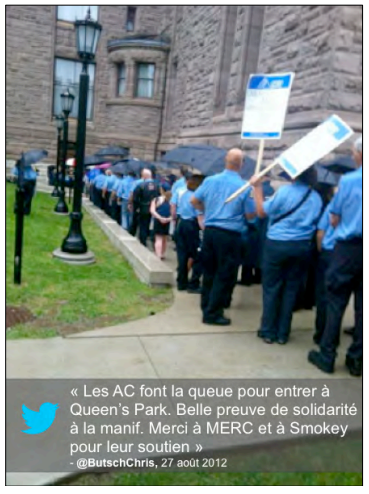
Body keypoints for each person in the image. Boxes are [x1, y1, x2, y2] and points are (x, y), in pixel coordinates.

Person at [308, 136, 362, 376]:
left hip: (348, 247)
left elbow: (334, 217)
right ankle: (356, 359)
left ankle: (327, 354)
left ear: (359, 154)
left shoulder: (349, 181)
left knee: (335, 301)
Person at [249, 167, 323, 344]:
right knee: (291, 289)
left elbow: (261, 212)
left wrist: (257, 188)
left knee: (271, 287)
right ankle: (283, 333)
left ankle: (268, 330)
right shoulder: (316, 197)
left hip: (277, 243)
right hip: (302, 246)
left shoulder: (284, 192)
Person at [191, 149, 253, 326]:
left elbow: (194, 201)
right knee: (224, 274)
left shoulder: (210, 180)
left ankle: (206, 306)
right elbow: (250, 216)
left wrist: (207, 211)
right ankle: (213, 312)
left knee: (209, 271)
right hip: (230, 235)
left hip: (211, 231)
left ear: (226, 161)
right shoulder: (243, 186)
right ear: (241, 164)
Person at [174, 174, 205, 293]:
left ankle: (181, 282)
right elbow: (200, 219)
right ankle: (194, 283)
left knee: (182, 255)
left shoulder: (184, 195)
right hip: (192, 226)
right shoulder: (196, 198)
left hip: (181, 224)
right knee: (198, 256)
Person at [313, 196, 336, 345]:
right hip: (355, 254)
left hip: (329, 253)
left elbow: (321, 232)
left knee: (324, 296)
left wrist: (320, 250)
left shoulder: (334, 205)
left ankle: (322, 334)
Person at [132, 168, 160, 246]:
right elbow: (159, 196)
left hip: (143, 207)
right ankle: (151, 239)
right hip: (154, 207)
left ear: (144, 176)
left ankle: (143, 240)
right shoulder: (157, 185)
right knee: (151, 224)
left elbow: (135, 198)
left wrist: (136, 207)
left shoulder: (141, 185)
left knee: (143, 225)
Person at [150, 183, 172, 259]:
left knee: (158, 238)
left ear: (161, 190)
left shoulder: (157, 199)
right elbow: (174, 212)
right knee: (164, 238)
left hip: (158, 220)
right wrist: (168, 219)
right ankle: (162, 254)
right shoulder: (171, 200)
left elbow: (152, 211)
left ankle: (158, 254)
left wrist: (160, 218)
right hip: (168, 221)